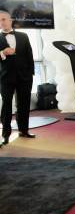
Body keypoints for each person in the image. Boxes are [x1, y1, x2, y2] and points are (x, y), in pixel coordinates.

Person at [0, 9, 35, 144]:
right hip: (5, 77)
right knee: (7, 106)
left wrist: (31, 73)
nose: (1, 22)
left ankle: (24, 130)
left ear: (11, 20)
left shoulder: (23, 36)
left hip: (24, 77)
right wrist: (3, 52)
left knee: (24, 104)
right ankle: (6, 135)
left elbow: (29, 56)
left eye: (3, 19)